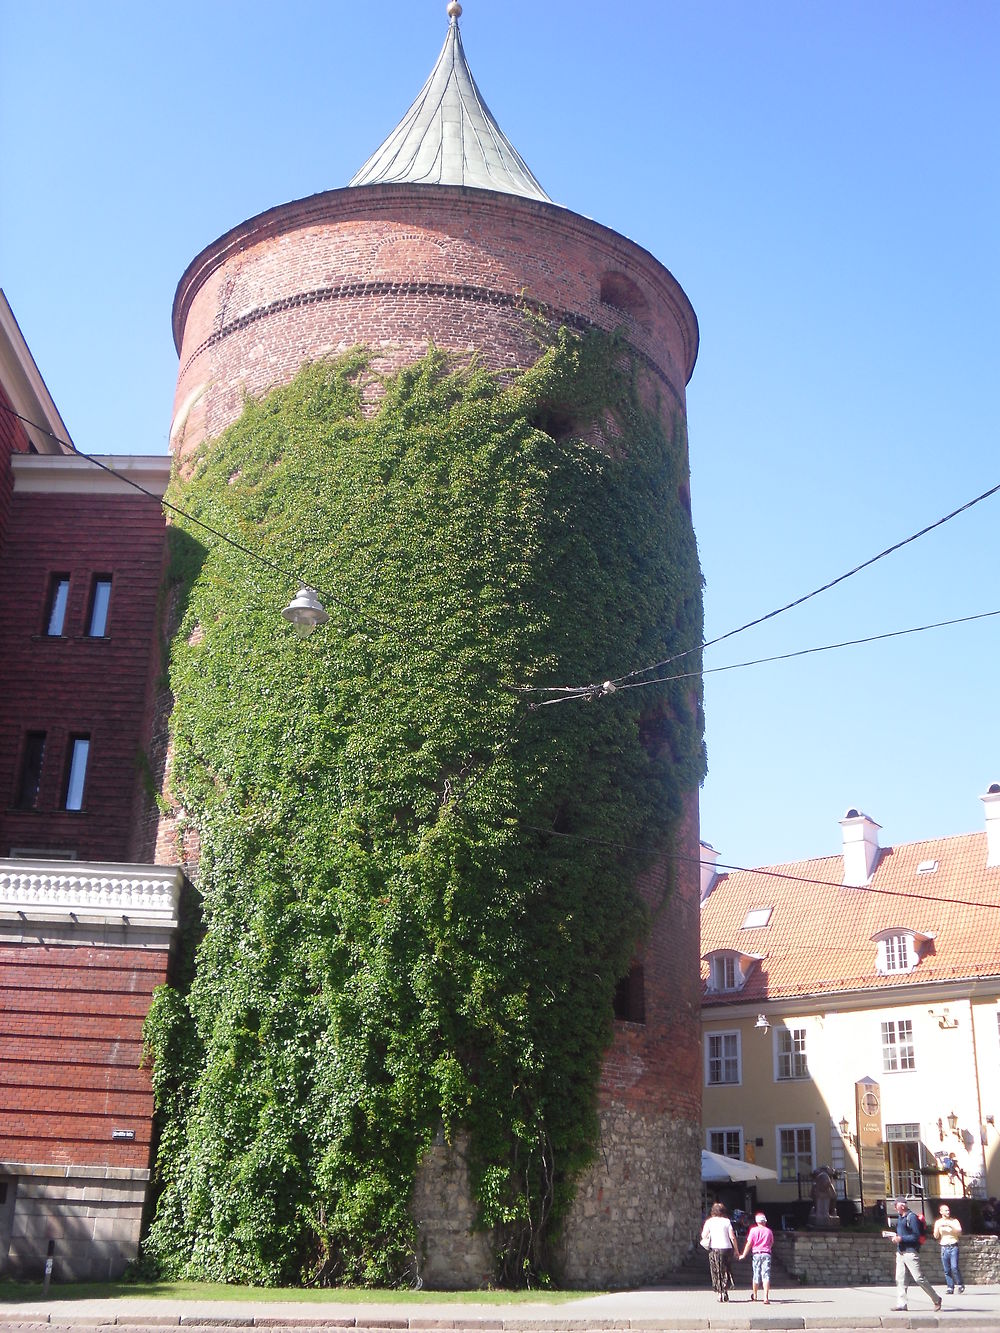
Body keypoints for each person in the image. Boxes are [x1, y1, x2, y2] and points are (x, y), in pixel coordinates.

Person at [890, 1198, 941, 1312]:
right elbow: (902, 1234)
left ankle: (936, 1299)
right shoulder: (900, 1217)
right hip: (901, 1252)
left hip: (910, 1252)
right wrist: (895, 1237)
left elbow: (916, 1236)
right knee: (900, 1279)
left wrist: (901, 1238)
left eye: (896, 1205)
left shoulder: (911, 1217)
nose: (894, 1208)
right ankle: (902, 1304)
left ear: (902, 1206)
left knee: (918, 1278)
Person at [700, 1201, 739, 1302]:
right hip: (727, 1248)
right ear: (723, 1211)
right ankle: (725, 1290)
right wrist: (736, 1250)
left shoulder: (709, 1222)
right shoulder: (727, 1221)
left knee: (716, 1271)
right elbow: (732, 1237)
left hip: (715, 1249)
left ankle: (719, 1293)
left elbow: (703, 1235)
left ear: (713, 1211)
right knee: (726, 1270)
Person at [739, 1209, 774, 1304]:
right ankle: (766, 1297)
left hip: (756, 1254)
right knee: (766, 1275)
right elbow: (771, 1243)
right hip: (766, 1254)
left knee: (756, 1274)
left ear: (756, 1221)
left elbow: (749, 1243)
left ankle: (755, 1295)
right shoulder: (769, 1231)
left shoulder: (753, 1231)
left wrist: (743, 1254)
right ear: (764, 1221)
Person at [933, 1203, 965, 1294]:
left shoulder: (954, 1221)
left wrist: (950, 1225)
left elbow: (959, 1231)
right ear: (941, 1212)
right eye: (946, 1210)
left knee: (954, 1267)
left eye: (948, 1210)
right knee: (947, 1269)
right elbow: (936, 1236)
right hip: (944, 1247)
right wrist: (938, 1227)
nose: (948, 1212)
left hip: (953, 1246)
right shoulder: (938, 1222)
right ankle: (950, 1287)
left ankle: (960, 1284)